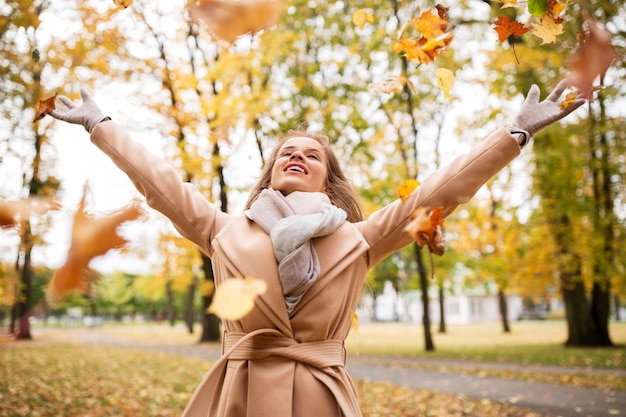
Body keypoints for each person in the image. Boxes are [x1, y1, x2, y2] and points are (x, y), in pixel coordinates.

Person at [48, 79, 585, 417]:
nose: (297, 156)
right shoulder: (222, 229)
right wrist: (101, 124)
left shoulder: (359, 237)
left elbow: (440, 191)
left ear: (329, 181)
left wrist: (514, 133)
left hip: (321, 400)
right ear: (271, 170)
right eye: (287, 152)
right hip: (239, 395)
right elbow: (159, 182)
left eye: (311, 154)